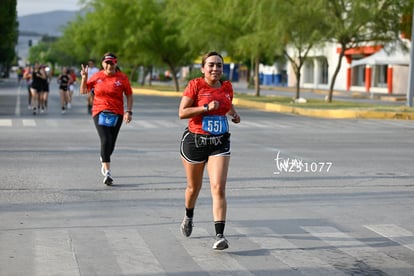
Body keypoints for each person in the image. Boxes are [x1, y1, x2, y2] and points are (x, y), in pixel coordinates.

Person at [178, 51, 241, 250]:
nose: (215, 69)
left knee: (218, 188)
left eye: (219, 65)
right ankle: (189, 216)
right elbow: (182, 112)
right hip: (195, 142)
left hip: (219, 142)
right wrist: (205, 107)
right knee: (193, 188)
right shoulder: (195, 85)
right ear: (203, 68)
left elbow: (227, 103)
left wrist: (234, 114)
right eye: (211, 65)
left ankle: (220, 235)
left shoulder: (227, 87)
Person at [79, 52, 133, 185]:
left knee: (111, 143)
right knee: (105, 139)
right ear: (103, 64)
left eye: (112, 63)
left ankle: (104, 157)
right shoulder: (97, 77)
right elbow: (83, 91)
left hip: (117, 113)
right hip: (100, 111)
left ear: (116, 63)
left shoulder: (122, 78)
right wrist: (84, 78)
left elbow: (129, 95)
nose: (109, 65)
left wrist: (128, 111)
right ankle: (107, 172)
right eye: (107, 63)